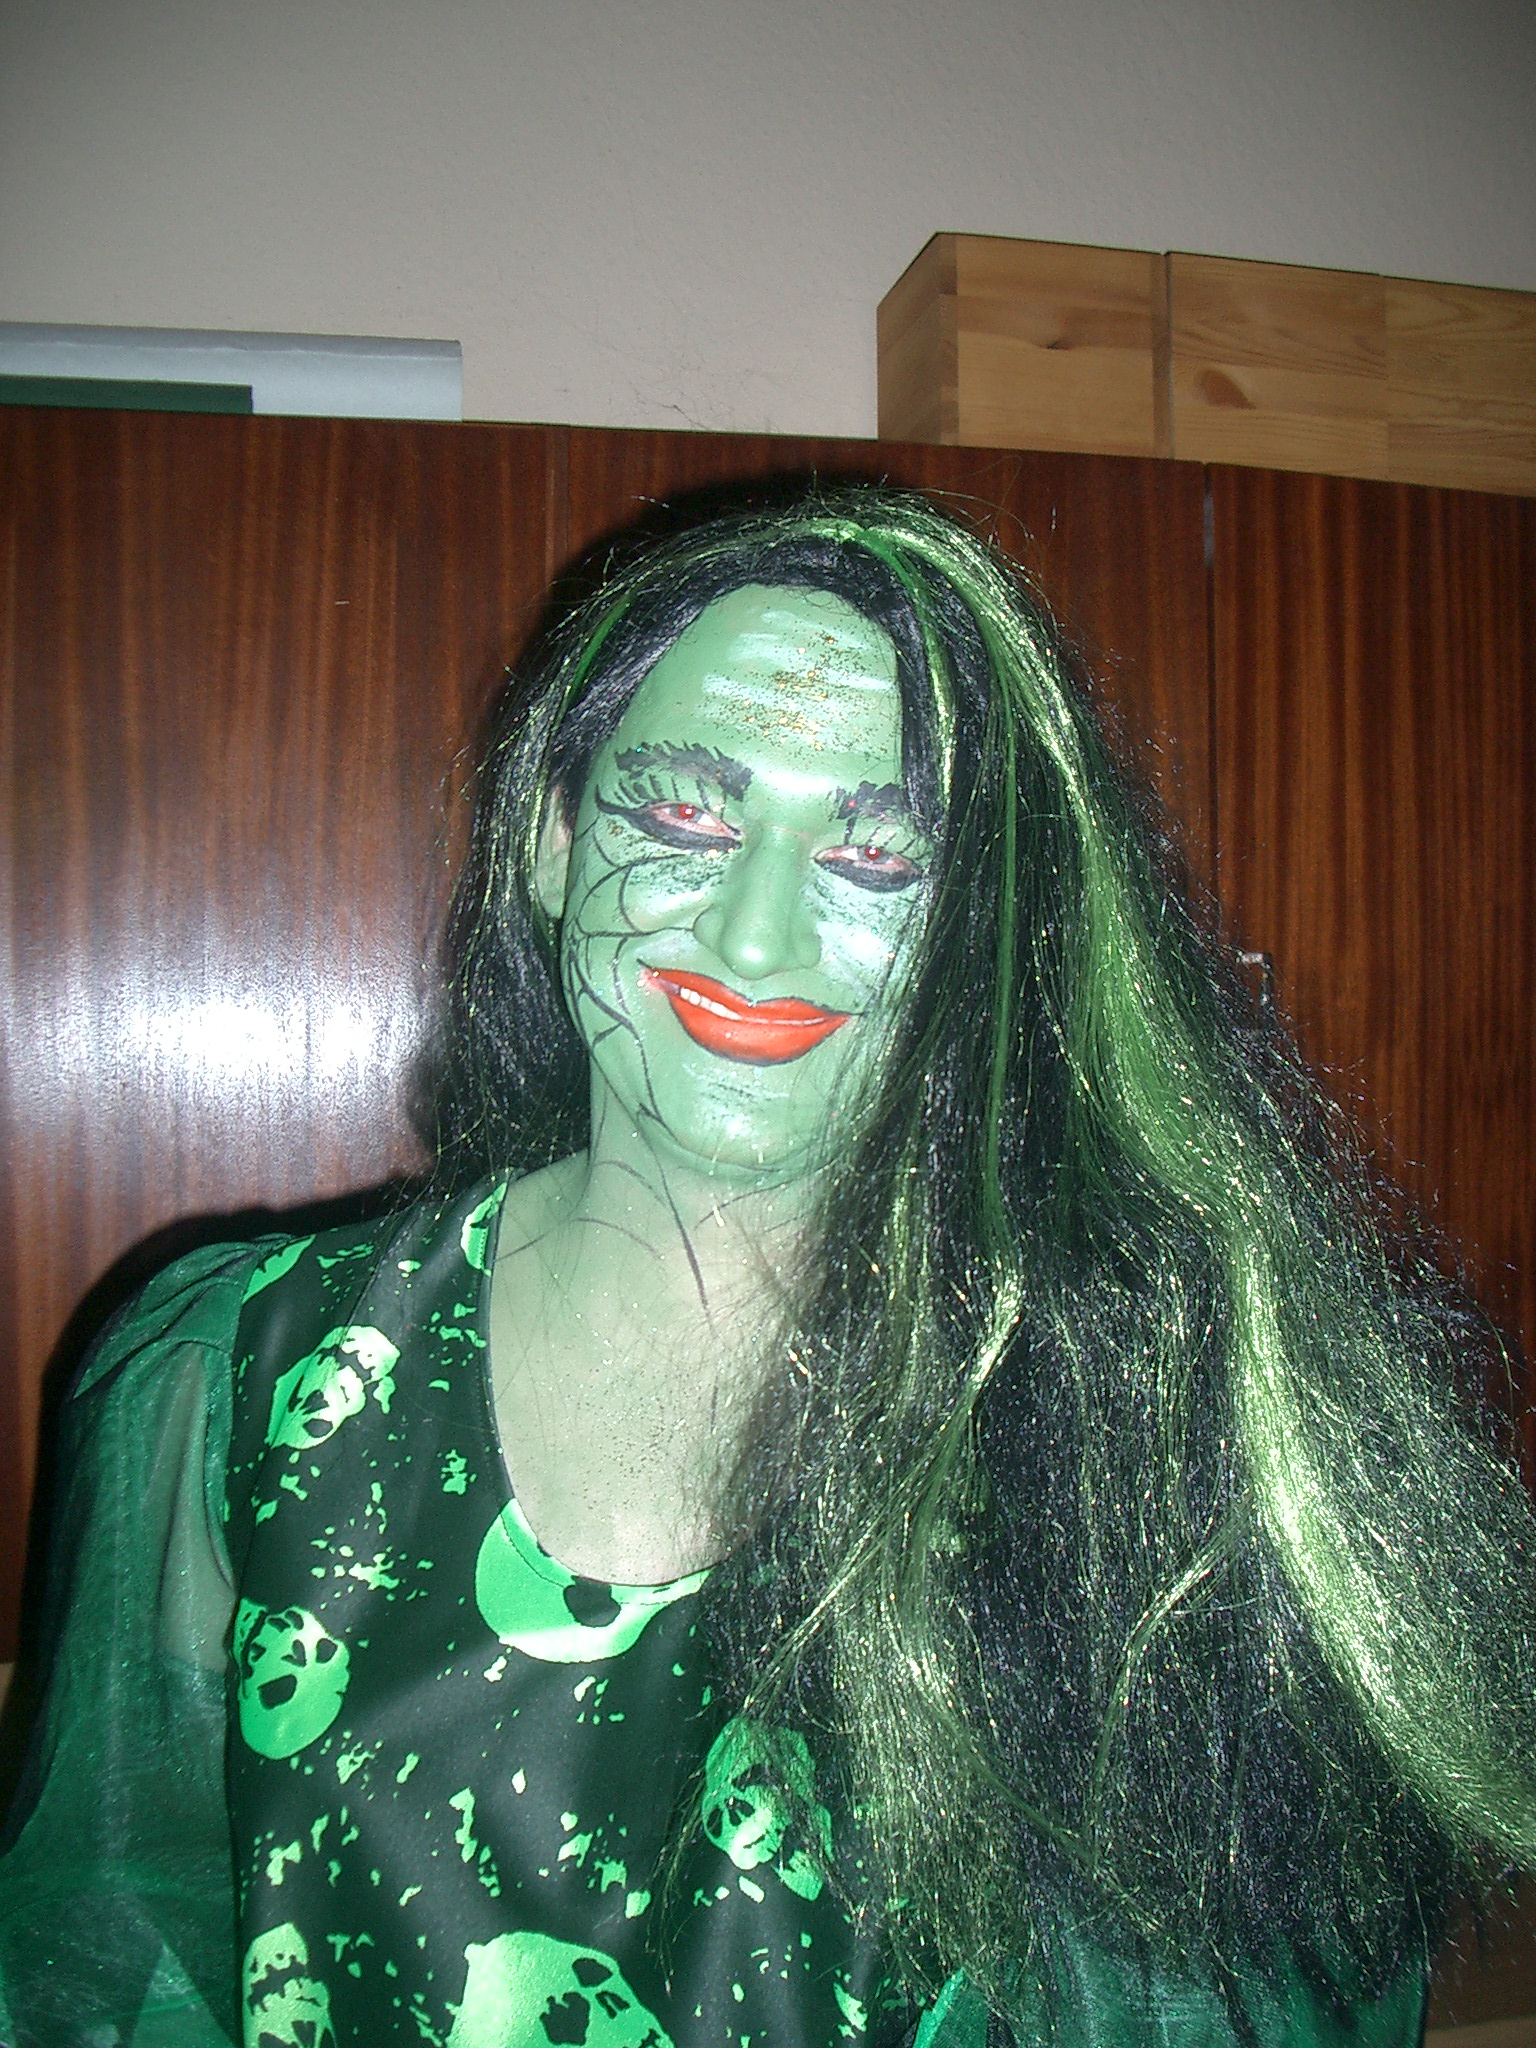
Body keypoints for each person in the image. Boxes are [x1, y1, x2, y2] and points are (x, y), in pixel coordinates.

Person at [2, 486, 1534, 2048]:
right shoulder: (239, 1378)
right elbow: (115, 1965)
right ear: (550, 841)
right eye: (684, 820)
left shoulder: (1162, 1457)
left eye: (876, 854)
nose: (754, 938)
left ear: (988, 927)